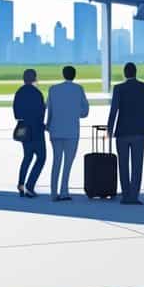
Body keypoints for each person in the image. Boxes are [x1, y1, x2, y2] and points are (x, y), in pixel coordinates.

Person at [107, 62, 144, 205]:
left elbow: (113, 111)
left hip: (122, 133)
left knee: (123, 165)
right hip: (138, 132)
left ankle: (125, 195)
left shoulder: (118, 88)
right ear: (136, 72)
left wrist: (109, 130)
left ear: (125, 73)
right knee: (137, 165)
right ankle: (134, 196)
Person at [46, 65, 89, 201]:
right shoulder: (78, 89)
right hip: (71, 131)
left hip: (55, 130)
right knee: (67, 163)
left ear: (63, 74)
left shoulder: (53, 89)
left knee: (56, 161)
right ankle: (64, 190)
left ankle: (53, 192)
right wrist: (75, 113)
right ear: (74, 75)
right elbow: (85, 111)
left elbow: (49, 109)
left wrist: (48, 124)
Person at [13, 68, 47, 198]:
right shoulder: (37, 93)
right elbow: (41, 112)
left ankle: (21, 184)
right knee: (41, 157)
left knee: (27, 157)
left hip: (24, 129)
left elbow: (16, 113)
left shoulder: (19, 93)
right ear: (34, 78)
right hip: (37, 129)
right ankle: (30, 185)